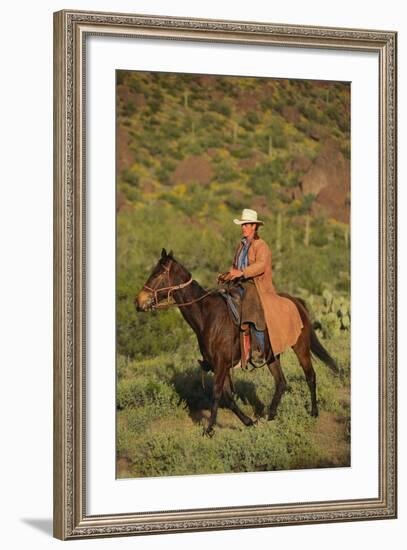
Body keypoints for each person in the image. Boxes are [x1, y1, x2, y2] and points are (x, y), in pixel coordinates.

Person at [219, 208, 304, 367]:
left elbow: (261, 266)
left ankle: (259, 348)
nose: (243, 227)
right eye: (243, 225)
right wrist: (228, 274)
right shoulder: (241, 245)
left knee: (251, 302)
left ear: (254, 227)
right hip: (240, 284)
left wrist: (242, 272)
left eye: (247, 225)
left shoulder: (261, 245)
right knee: (221, 299)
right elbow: (235, 266)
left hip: (257, 285)